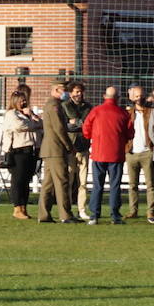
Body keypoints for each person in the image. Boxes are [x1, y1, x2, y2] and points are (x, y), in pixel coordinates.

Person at [81, 86, 133, 225]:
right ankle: (115, 215)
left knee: (98, 185)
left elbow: (86, 129)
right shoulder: (123, 114)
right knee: (115, 185)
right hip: (116, 154)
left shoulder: (96, 111)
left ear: (105, 96)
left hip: (98, 153)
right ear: (118, 98)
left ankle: (94, 215)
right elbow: (130, 133)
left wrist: (94, 137)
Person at [37, 76, 77, 223]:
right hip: (56, 149)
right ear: (56, 90)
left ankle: (44, 215)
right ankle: (65, 215)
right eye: (64, 90)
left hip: (50, 149)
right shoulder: (54, 105)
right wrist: (69, 146)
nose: (66, 93)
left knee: (48, 184)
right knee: (62, 182)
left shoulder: (54, 104)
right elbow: (59, 128)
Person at [0, 89, 41, 220]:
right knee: (18, 181)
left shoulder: (28, 114)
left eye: (25, 100)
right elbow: (19, 126)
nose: (24, 102)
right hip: (17, 151)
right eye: (22, 100)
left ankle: (24, 207)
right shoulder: (12, 114)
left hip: (30, 150)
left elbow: (42, 124)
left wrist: (32, 115)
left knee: (26, 181)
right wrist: (34, 124)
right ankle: (17, 208)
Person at [123, 85, 154, 221]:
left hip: (147, 152)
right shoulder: (128, 113)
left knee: (150, 185)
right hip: (131, 153)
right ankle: (133, 211)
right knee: (132, 185)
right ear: (131, 97)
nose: (139, 98)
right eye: (136, 96)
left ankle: (151, 211)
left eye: (141, 95)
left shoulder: (150, 112)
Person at [63, 81, 92, 215]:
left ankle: (82, 209)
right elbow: (66, 126)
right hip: (70, 147)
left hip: (84, 146)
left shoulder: (88, 107)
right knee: (69, 179)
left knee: (83, 181)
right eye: (76, 92)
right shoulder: (65, 106)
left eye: (80, 91)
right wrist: (75, 123)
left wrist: (76, 123)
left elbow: (88, 124)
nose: (79, 94)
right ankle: (67, 208)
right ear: (70, 93)